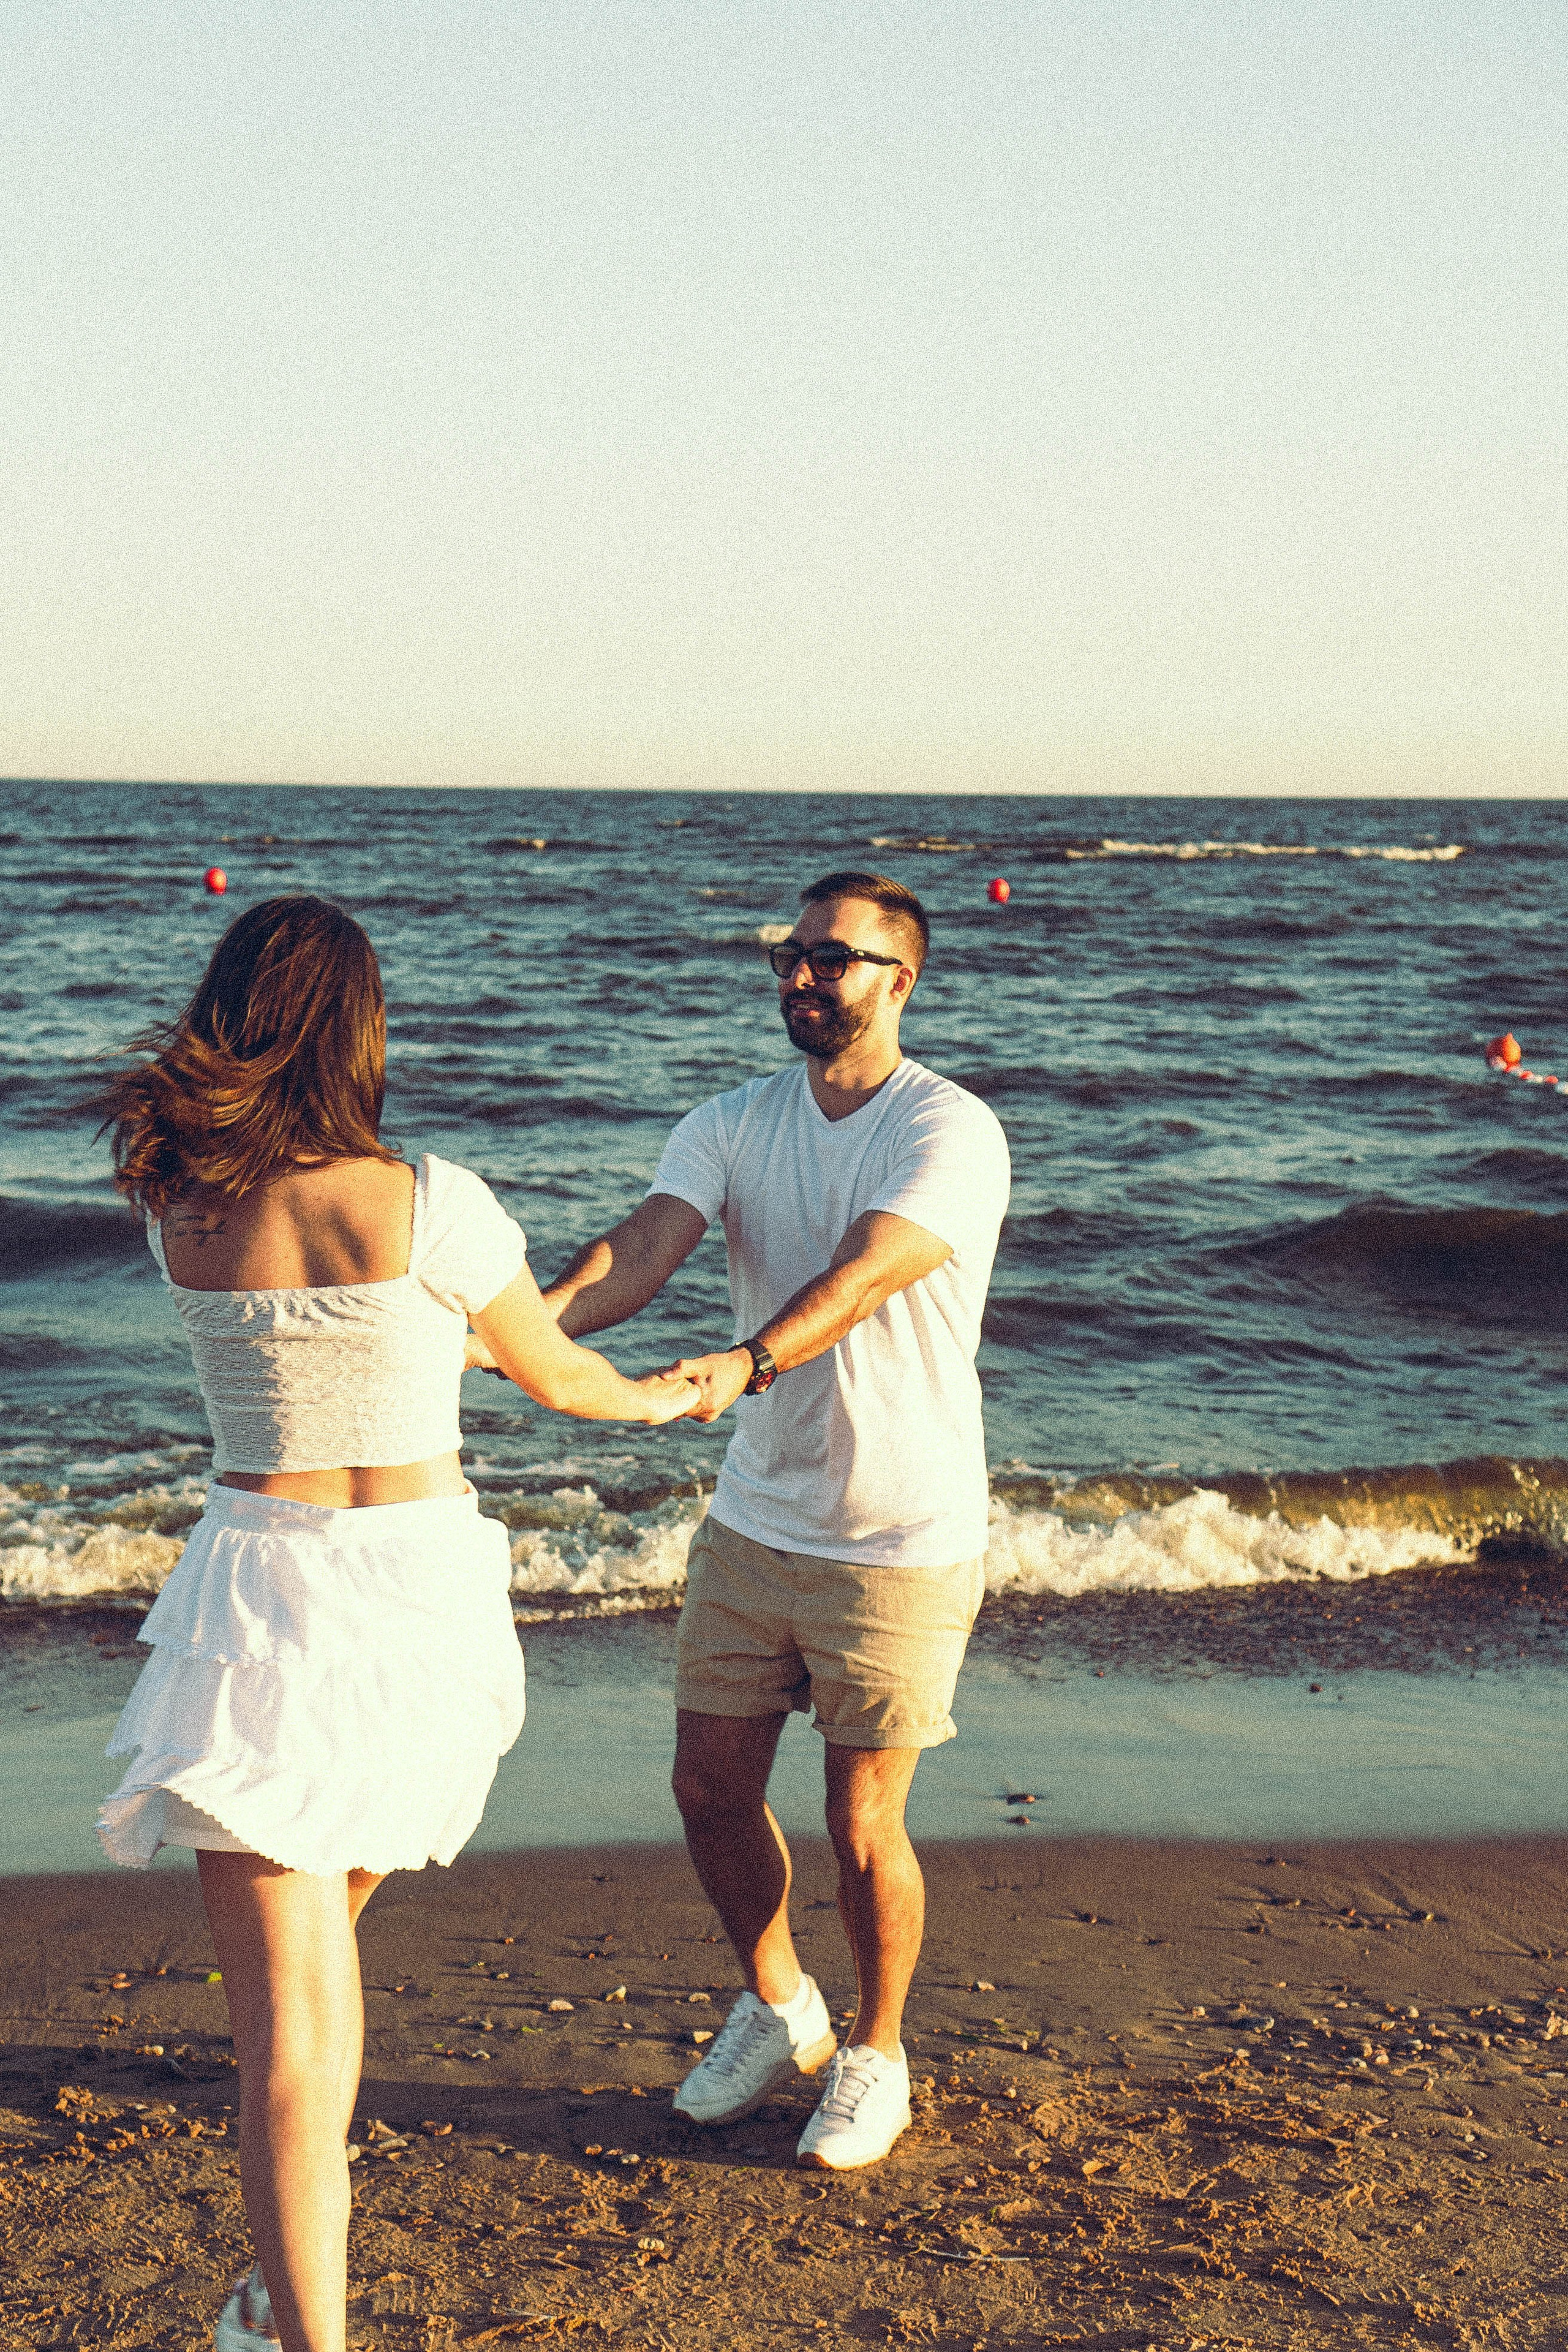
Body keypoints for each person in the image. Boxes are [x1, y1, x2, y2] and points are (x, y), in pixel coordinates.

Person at [94, 896, 696, 2352]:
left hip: (258, 1587)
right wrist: (696, 1384)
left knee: (293, 2025)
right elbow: (560, 1379)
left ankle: (282, 2310)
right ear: (359, 1029)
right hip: (418, 1592)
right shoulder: (432, 1199)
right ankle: (290, 2321)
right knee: (308, 2004)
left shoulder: (182, 1209)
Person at [539, 871, 1011, 2169]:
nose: (801, 978)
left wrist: (740, 1364)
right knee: (705, 1789)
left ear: (898, 980)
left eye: (832, 960)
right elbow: (640, 1246)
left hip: (898, 1534)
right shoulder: (733, 1120)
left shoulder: (949, 1131)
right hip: (757, 1519)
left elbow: (863, 1272)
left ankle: (876, 2054)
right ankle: (776, 2004)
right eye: (789, 957)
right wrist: (513, 1337)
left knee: (862, 1826)